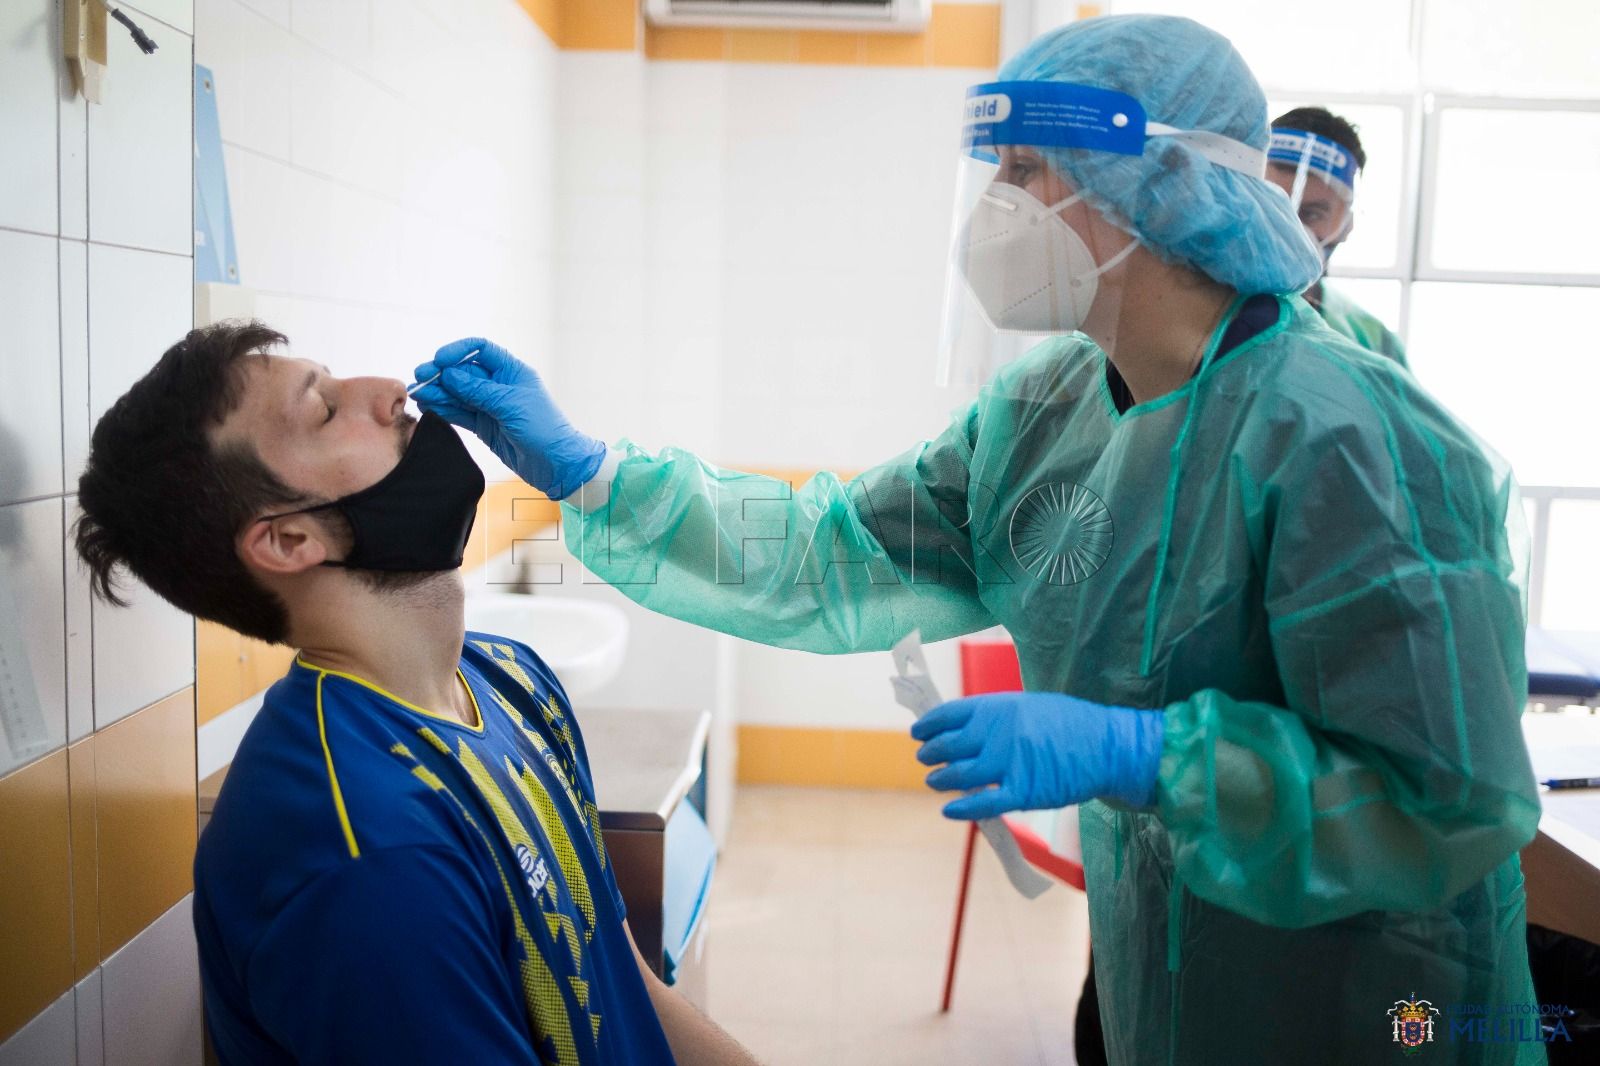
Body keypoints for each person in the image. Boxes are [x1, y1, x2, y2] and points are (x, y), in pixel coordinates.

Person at [414, 15, 1542, 1064]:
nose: (994, 210)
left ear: (1148, 186)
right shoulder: (1046, 414)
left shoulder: (1358, 441)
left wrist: (1147, 756)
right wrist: (592, 473)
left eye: (1022, 173)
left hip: (1370, 1005)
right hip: (1156, 975)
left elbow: (1445, 798)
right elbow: (831, 549)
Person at [74, 322, 756, 1066]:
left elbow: (629, 988)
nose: (389, 391)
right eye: (327, 410)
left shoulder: (513, 679)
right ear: (292, 540)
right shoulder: (361, 854)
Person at [1267, 105, 1409, 366]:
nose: (1289, 228)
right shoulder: (1195, 314)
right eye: (1274, 206)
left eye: (1311, 214)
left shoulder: (1371, 342)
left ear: (1347, 225)